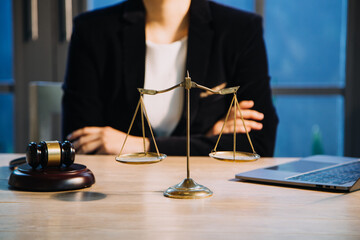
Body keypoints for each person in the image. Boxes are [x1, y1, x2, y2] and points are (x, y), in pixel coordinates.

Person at [62, 0, 278, 156]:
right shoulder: (92, 31)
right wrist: (209, 138)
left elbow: (258, 143)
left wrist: (140, 146)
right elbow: (81, 143)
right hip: (118, 194)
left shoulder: (240, 30)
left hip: (209, 195)